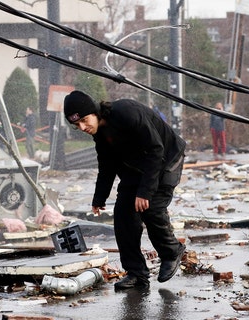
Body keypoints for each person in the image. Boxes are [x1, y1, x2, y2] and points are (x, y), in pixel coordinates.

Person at [63, 90, 186, 290]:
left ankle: (172, 252)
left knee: (151, 207)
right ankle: (136, 273)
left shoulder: (127, 113)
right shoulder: (100, 134)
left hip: (166, 158)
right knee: (123, 215)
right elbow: (107, 165)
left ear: (95, 111)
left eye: (84, 120)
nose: (83, 127)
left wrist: (145, 192)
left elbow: (156, 150)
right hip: (137, 167)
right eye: (77, 125)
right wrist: (99, 197)